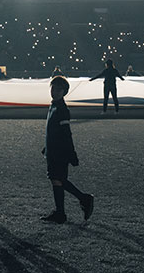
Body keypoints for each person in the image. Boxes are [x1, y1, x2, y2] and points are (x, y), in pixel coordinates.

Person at [41, 75, 94, 224]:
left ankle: (78, 202)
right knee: (57, 180)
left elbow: (66, 134)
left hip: (60, 151)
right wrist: (47, 146)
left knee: (58, 179)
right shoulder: (54, 106)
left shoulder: (62, 109)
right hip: (54, 150)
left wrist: (71, 154)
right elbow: (53, 131)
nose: (54, 91)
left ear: (64, 92)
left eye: (58, 89)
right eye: (53, 88)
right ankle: (64, 211)